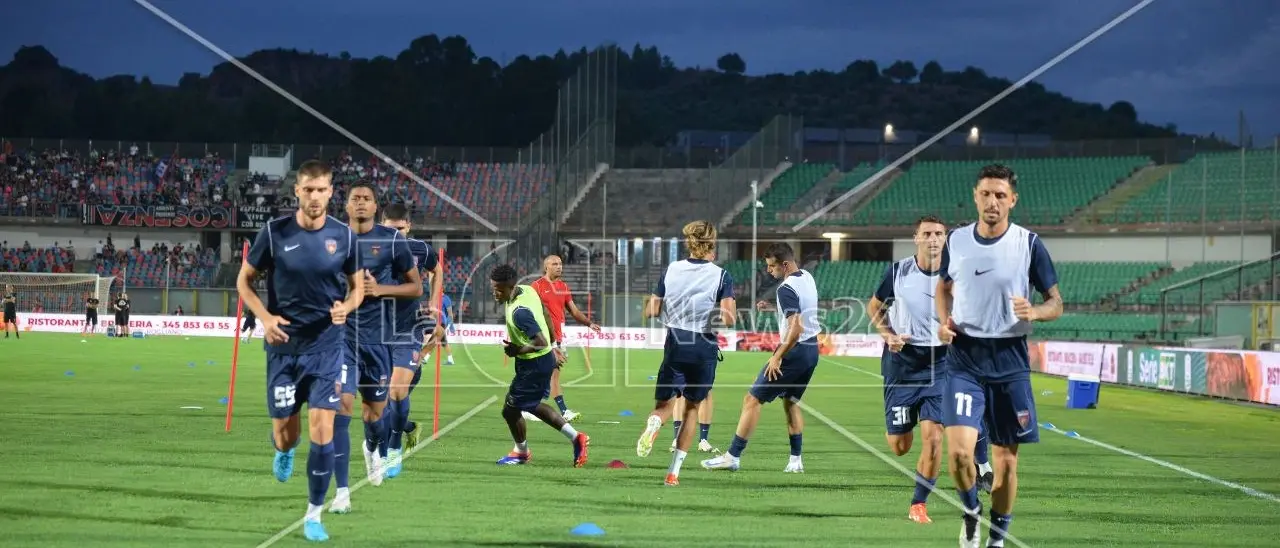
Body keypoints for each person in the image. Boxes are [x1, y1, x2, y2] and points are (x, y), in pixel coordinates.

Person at [237, 159, 364, 542]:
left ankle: (313, 514)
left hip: (327, 347)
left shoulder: (344, 235)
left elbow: (357, 287)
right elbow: (244, 282)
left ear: (330, 192)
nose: (314, 196)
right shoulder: (274, 233)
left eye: (322, 189)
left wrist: (348, 306)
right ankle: (284, 449)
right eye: (308, 189)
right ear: (297, 191)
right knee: (287, 436)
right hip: (283, 349)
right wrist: (264, 317)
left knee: (323, 430)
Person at [936, 164, 1061, 548]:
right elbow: (943, 287)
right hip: (964, 359)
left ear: (1013, 200)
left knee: (1006, 462)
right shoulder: (955, 241)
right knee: (958, 455)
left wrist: (1036, 312)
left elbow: (1055, 302)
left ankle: (997, 537)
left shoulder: (1029, 244)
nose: (993, 202)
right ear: (976, 196)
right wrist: (944, 322)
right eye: (986, 194)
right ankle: (972, 513)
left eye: (1001, 195)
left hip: (1010, 362)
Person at [330, 182, 419, 513]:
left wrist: (379, 288)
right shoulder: (331, 238)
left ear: (374, 205)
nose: (361, 203)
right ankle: (342, 492)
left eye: (367, 198)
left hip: (379, 340)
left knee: (374, 415)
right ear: (347, 206)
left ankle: (374, 448)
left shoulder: (393, 240)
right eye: (355, 199)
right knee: (343, 406)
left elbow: (415, 287)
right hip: (342, 337)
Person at [866, 214, 956, 524]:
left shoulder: (955, 274)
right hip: (901, 367)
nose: (934, 239)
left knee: (934, 437)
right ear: (916, 238)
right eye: (928, 233)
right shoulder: (898, 272)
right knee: (900, 447)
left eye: (940, 234)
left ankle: (918, 503)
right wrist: (888, 334)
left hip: (940, 365)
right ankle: (901, 426)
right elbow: (874, 306)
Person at [634, 220, 735, 486]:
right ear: (712, 245)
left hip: (675, 342)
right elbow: (729, 318)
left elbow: (652, 311)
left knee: (665, 406)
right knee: (691, 409)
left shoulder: (671, 270)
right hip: (703, 346)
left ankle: (655, 423)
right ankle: (673, 473)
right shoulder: (721, 275)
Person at [702, 242, 817, 475]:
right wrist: (774, 308)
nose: (769, 270)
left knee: (752, 400)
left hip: (794, 351)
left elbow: (796, 328)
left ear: (785, 265)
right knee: (791, 402)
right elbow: (800, 309)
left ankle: (732, 456)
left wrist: (777, 357)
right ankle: (796, 461)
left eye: (772, 266)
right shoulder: (806, 277)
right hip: (811, 350)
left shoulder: (785, 289)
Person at [490, 264, 590, 468]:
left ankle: (522, 452)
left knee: (510, 409)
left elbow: (540, 341)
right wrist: (555, 345)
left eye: (499, 290)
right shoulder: (528, 290)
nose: (495, 293)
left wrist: (518, 350)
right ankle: (575, 438)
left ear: (510, 287)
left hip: (534, 364)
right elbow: (545, 314)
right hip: (539, 360)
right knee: (531, 405)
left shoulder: (519, 312)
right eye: (493, 288)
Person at [379, 203, 441, 479]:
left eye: (400, 229)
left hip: (409, 329)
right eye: (390, 229)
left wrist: (433, 300)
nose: (396, 234)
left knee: (397, 391)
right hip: (374, 330)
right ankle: (409, 428)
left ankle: (394, 448)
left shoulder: (421, 250)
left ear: (408, 227)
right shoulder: (367, 248)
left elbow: (437, 270)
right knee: (377, 403)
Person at [529, 254, 602, 423]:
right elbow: (529, 311)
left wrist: (589, 323)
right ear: (546, 267)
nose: (559, 266)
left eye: (560, 264)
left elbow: (574, 312)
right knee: (546, 374)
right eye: (555, 264)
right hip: (541, 338)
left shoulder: (563, 287)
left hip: (557, 338)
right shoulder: (537, 286)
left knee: (552, 374)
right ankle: (557, 410)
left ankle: (534, 405)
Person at [420, 293, 454, 366]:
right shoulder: (433, 298)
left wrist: (451, 324)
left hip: (442, 323)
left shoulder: (446, 299)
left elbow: (450, 313)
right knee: (439, 342)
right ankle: (450, 360)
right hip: (435, 322)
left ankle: (424, 358)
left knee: (435, 341)